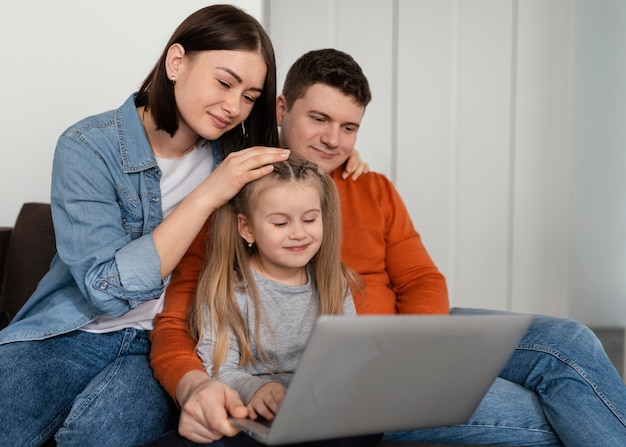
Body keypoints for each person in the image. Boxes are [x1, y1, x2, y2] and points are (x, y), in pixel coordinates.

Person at [150, 49, 626, 447]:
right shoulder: (234, 195)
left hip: (411, 340)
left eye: (349, 127)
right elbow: (178, 322)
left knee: (570, 341)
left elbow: (421, 279)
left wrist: (416, 354)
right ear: (280, 110)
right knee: (540, 411)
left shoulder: (372, 186)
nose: (332, 139)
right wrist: (195, 386)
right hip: (340, 375)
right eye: (318, 118)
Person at [0, 5, 296, 447]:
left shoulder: (236, 158)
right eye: (224, 82)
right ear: (176, 62)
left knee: (99, 435)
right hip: (70, 331)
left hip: (163, 346)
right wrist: (208, 193)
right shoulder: (87, 146)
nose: (235, 107)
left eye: (250, 96)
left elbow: (306, 168)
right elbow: (103, 289)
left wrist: (346, 159)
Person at [147, 153, 381, 447]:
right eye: (280, 223)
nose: (299, 233)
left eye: (310, 219)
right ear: (247, 229)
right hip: (247, 415)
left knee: (365, 427)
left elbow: (348, 362)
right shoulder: (228, 289)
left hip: (316, 416)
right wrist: (257, 390)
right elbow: (220, 370)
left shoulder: (334, 284)